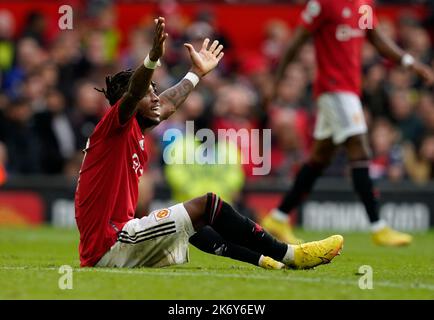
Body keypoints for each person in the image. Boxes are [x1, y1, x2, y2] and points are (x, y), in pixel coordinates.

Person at [75, 17, 343, 270]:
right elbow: (134, 93)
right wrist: (153, 58)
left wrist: (194, 73)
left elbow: (167, 104)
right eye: (149, 94)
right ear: (128, 104)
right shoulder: (113, 126)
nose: (155, 97)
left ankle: (265, 260)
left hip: (114, 240)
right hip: (111, 244)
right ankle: (292, 254)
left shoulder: (131, 130)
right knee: (207, 204)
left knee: (194, 225)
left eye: (154, 90)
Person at [262, 0, 434, 246]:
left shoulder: (363, 5)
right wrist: (277, 82)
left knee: (319, 158)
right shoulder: (324, 4)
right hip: (333, 87)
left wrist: (409, 62)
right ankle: (379, 226)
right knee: (360, 148)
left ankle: (278, 218)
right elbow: (295, 42)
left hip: (349, 89)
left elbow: (376, 39)